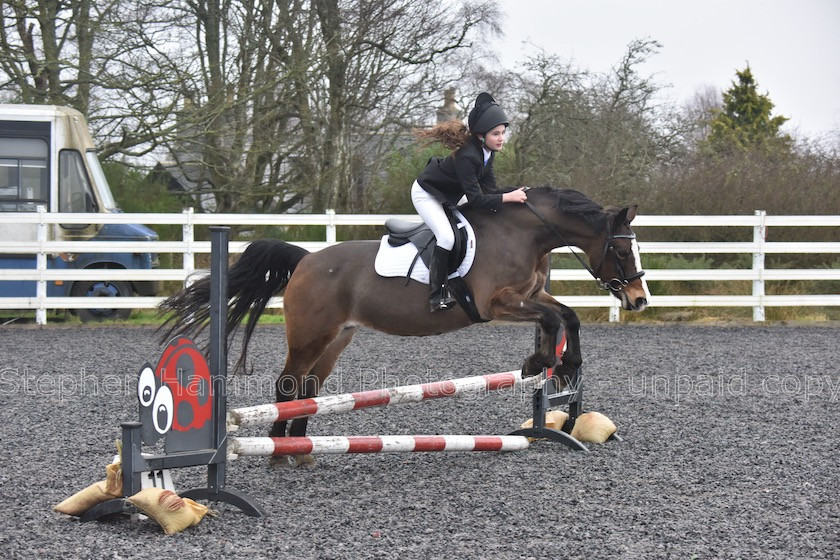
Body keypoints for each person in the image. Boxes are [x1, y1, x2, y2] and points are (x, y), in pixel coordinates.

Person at [412, 92, 528, 312]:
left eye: (503, 132)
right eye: (496, 134)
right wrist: (508, 197)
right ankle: (436, 296)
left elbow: (491, 190)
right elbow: (476, 199)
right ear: (481, 135)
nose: (501, 138)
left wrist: (515, 192)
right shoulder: (468, 156)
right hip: (427, 194)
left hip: (450, 195)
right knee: (446, 237)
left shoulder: (487, 153)